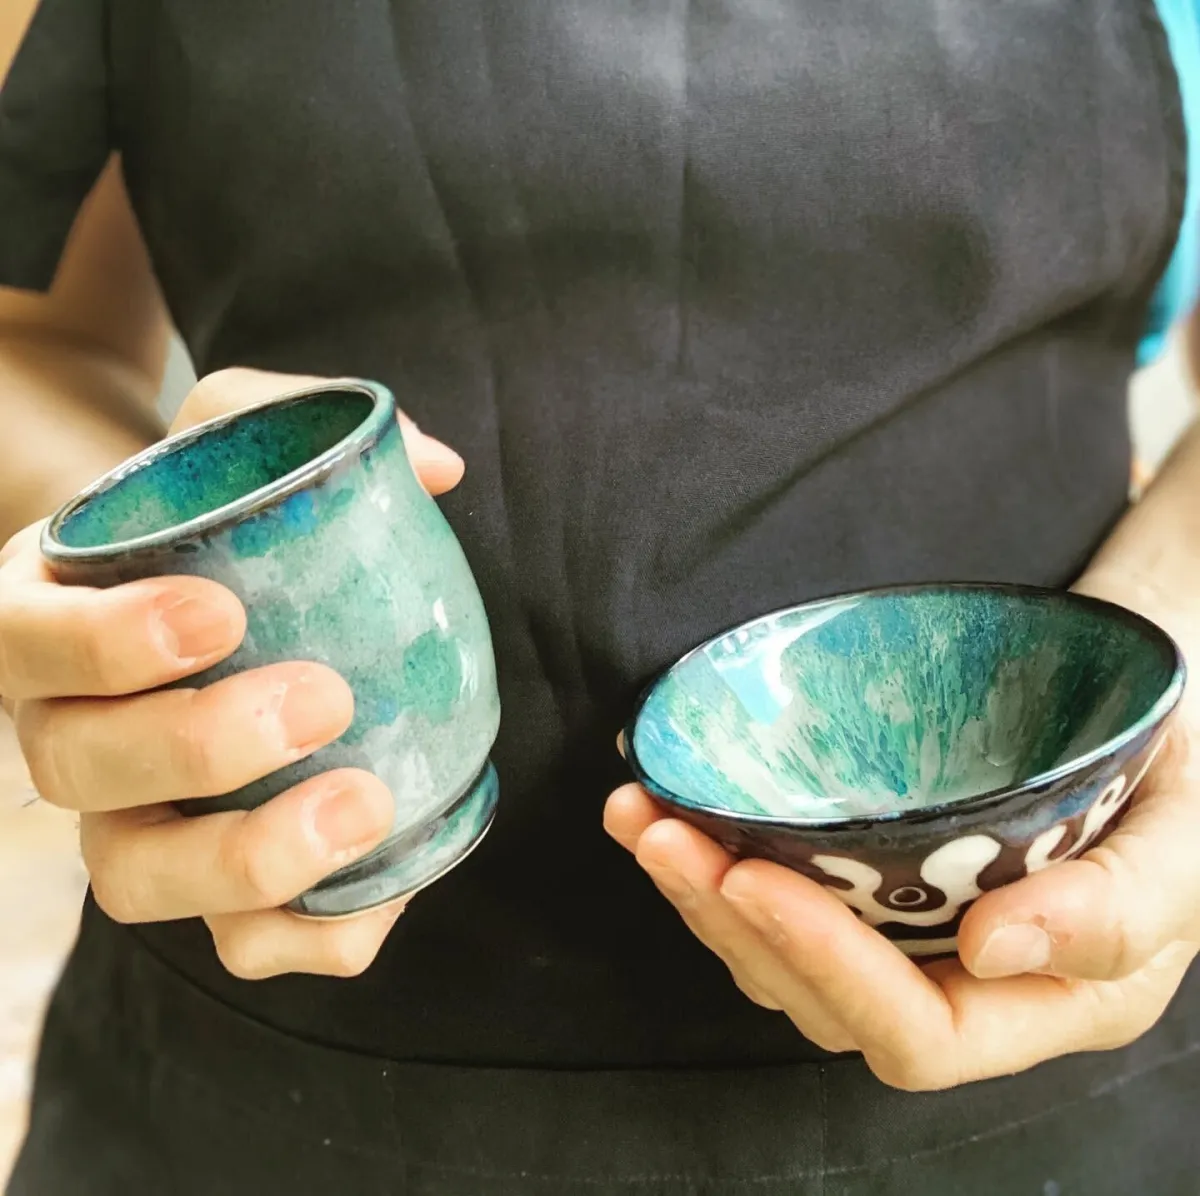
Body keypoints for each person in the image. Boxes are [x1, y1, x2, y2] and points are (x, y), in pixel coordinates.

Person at [1, 1, 1199, 1192]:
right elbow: (31, 336)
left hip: (1059, 1009)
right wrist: (137, 591)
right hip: (274, 1071)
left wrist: (1173, 629)